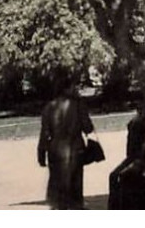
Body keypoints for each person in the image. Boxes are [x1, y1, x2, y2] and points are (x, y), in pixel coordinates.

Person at [37, 72, 94, 210]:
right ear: (67, 88)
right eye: (73, 86)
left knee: (59, 189)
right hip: (76, 150)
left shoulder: (49, 108)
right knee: (75, 189)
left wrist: (41, 153)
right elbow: (88, 128)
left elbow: (45, 134)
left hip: (55, 151)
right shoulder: (78, 105)